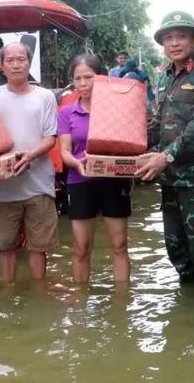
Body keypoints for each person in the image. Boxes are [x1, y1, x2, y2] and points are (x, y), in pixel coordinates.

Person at [135, 11, 194, 296]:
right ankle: (188, 307)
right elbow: (155, 122)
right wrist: (128, 147)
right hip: (169, 178)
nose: (174, 43)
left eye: (181, 36)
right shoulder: (163, 76)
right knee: (175, 246)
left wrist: (165, 156)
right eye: (168, 38)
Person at [0, 42, 59, 283]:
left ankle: (39, 296)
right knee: (6, 246)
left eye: (21, 59)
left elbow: (50, 137)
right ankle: (7, 294)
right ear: (2, 66)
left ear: (29, 63)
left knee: (39, 248)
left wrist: (30, 155)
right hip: (4, 188)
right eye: (10, 60)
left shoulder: (45, 96)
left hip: (39, 185)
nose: (16, 64)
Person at [58, 54, 132, 285]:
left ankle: (122, 306)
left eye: (88, 77)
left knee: (119, 245)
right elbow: (64, 151)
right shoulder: (66, 112)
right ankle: (81, 308)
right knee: (80, 248)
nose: (82, 83)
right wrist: (78, 163)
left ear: (100, 78)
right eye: (77, 78)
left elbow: (129, 143)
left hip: (113, 179)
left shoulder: (116, 109)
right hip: (79, 181)